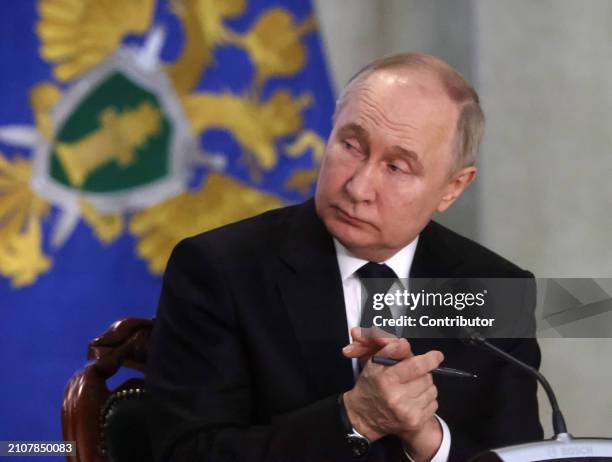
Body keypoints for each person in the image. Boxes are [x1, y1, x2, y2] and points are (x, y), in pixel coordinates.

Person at [146, 53, 543, 462]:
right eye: (351, 146)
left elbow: (517, 455)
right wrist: (354, 418)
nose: (358, 186)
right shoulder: (221, 270)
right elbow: (185, 453)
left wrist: (430, 442)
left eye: (396, 167)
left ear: (453, 187)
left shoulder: (494, 289)